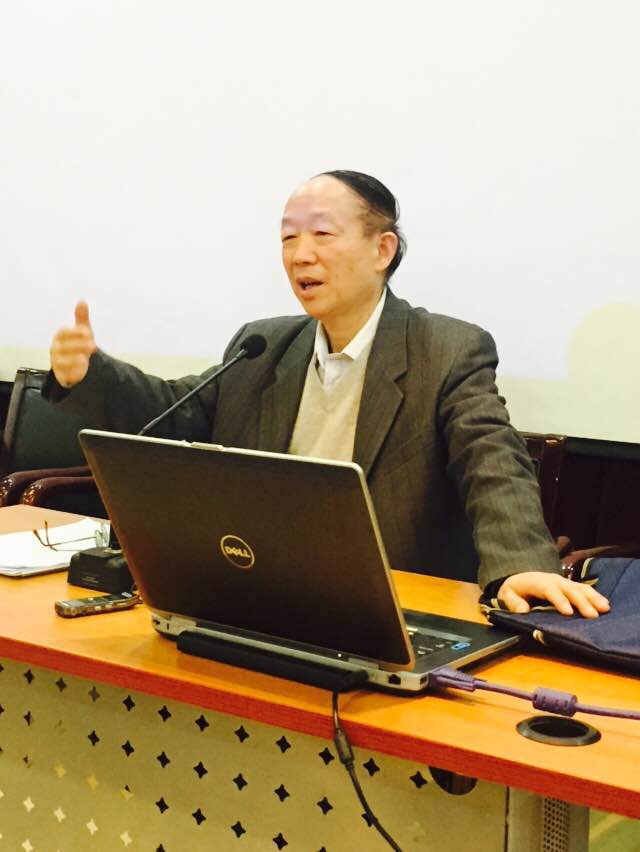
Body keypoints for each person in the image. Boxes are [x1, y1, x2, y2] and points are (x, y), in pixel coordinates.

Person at [45, 170, 609, 618]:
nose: (300, 254)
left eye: (322, 234)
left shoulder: (446, 350)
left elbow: (492, 461)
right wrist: (91, 374)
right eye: (288, 237)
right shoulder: (264, 346)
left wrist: (520, 565)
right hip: (258, 593)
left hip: (390, 606)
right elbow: (176, 413)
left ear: (382, 249)